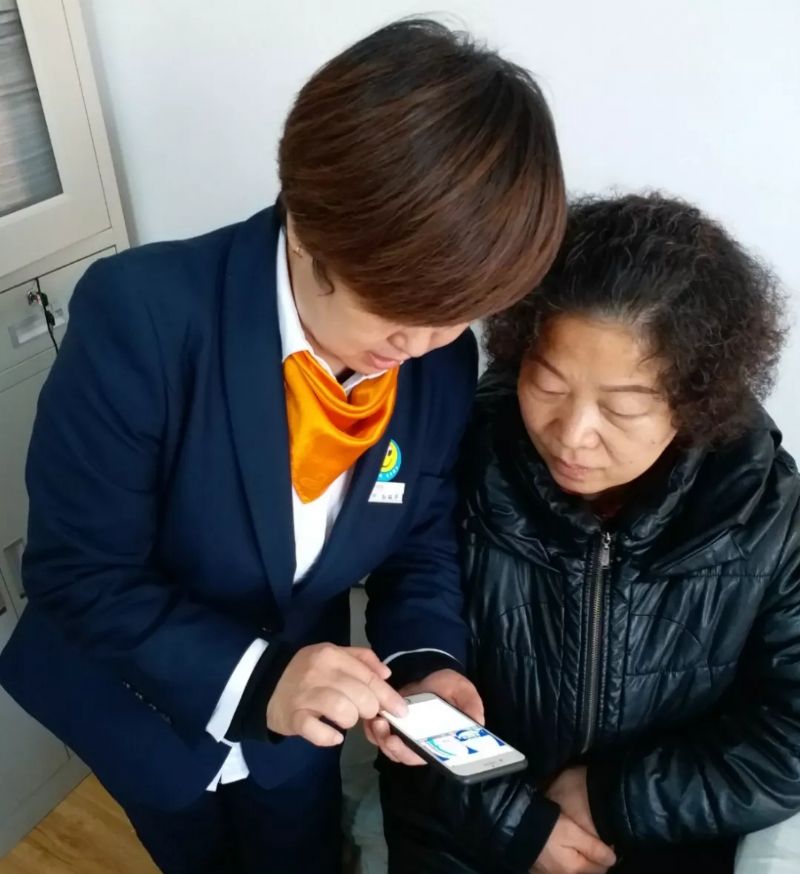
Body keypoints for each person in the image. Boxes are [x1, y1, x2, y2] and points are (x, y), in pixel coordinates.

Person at [0, 19, 566, 874]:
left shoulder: (440, 363)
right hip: (144, 709)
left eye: (455, 315)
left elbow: (417, 533)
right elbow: (78, 572)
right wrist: (261, 680)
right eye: (398, 309)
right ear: (307, 229)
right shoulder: (145, 318)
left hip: (301, 734)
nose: (419, 345)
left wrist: (424, 664)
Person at [380, 193, 800, 874]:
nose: (573, 435)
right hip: (464, 836)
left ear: (697, 400)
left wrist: (613, 799)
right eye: (547, 386)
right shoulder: (457, 458)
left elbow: (788, 736)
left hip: (659, 843)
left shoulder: (767, 512)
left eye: (622, 408)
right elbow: (412, 673)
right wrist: (516, 822)